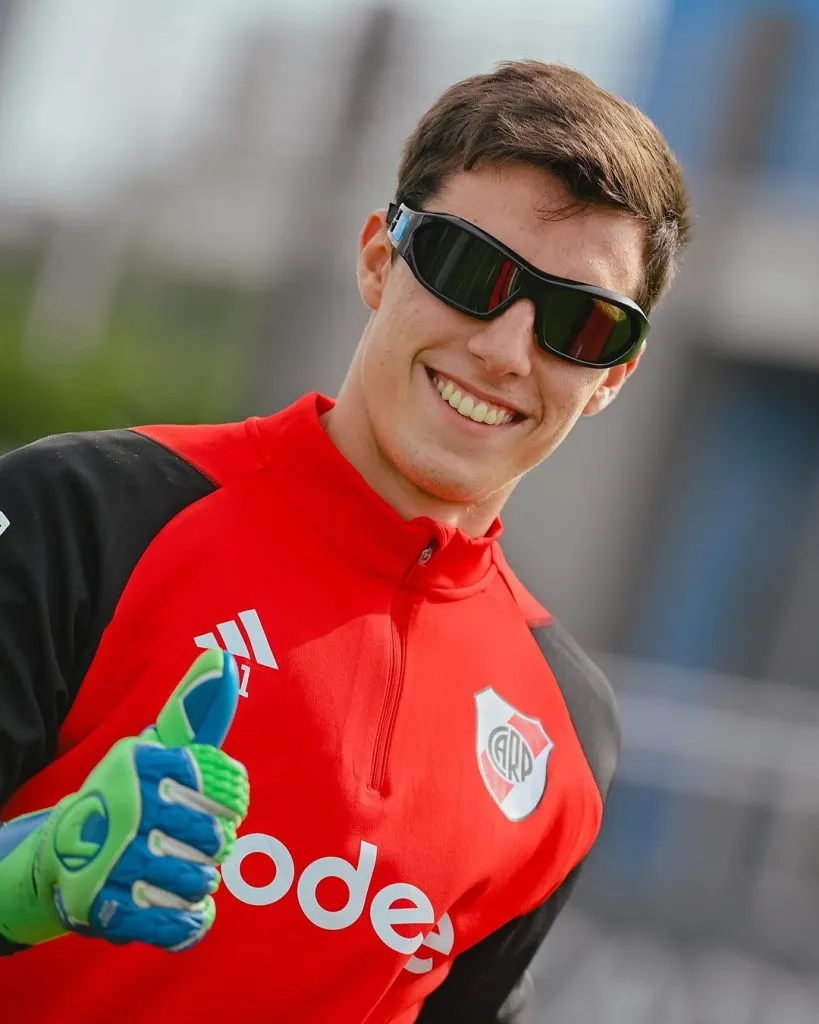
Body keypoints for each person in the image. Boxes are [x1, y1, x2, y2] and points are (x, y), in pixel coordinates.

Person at [0, 60, 690, 1023]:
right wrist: (24, 881)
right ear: (377, 260)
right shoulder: (86, 511)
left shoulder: (571, 730)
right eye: (470, 270)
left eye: (580, 323)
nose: (504, 350)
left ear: (612, 376)